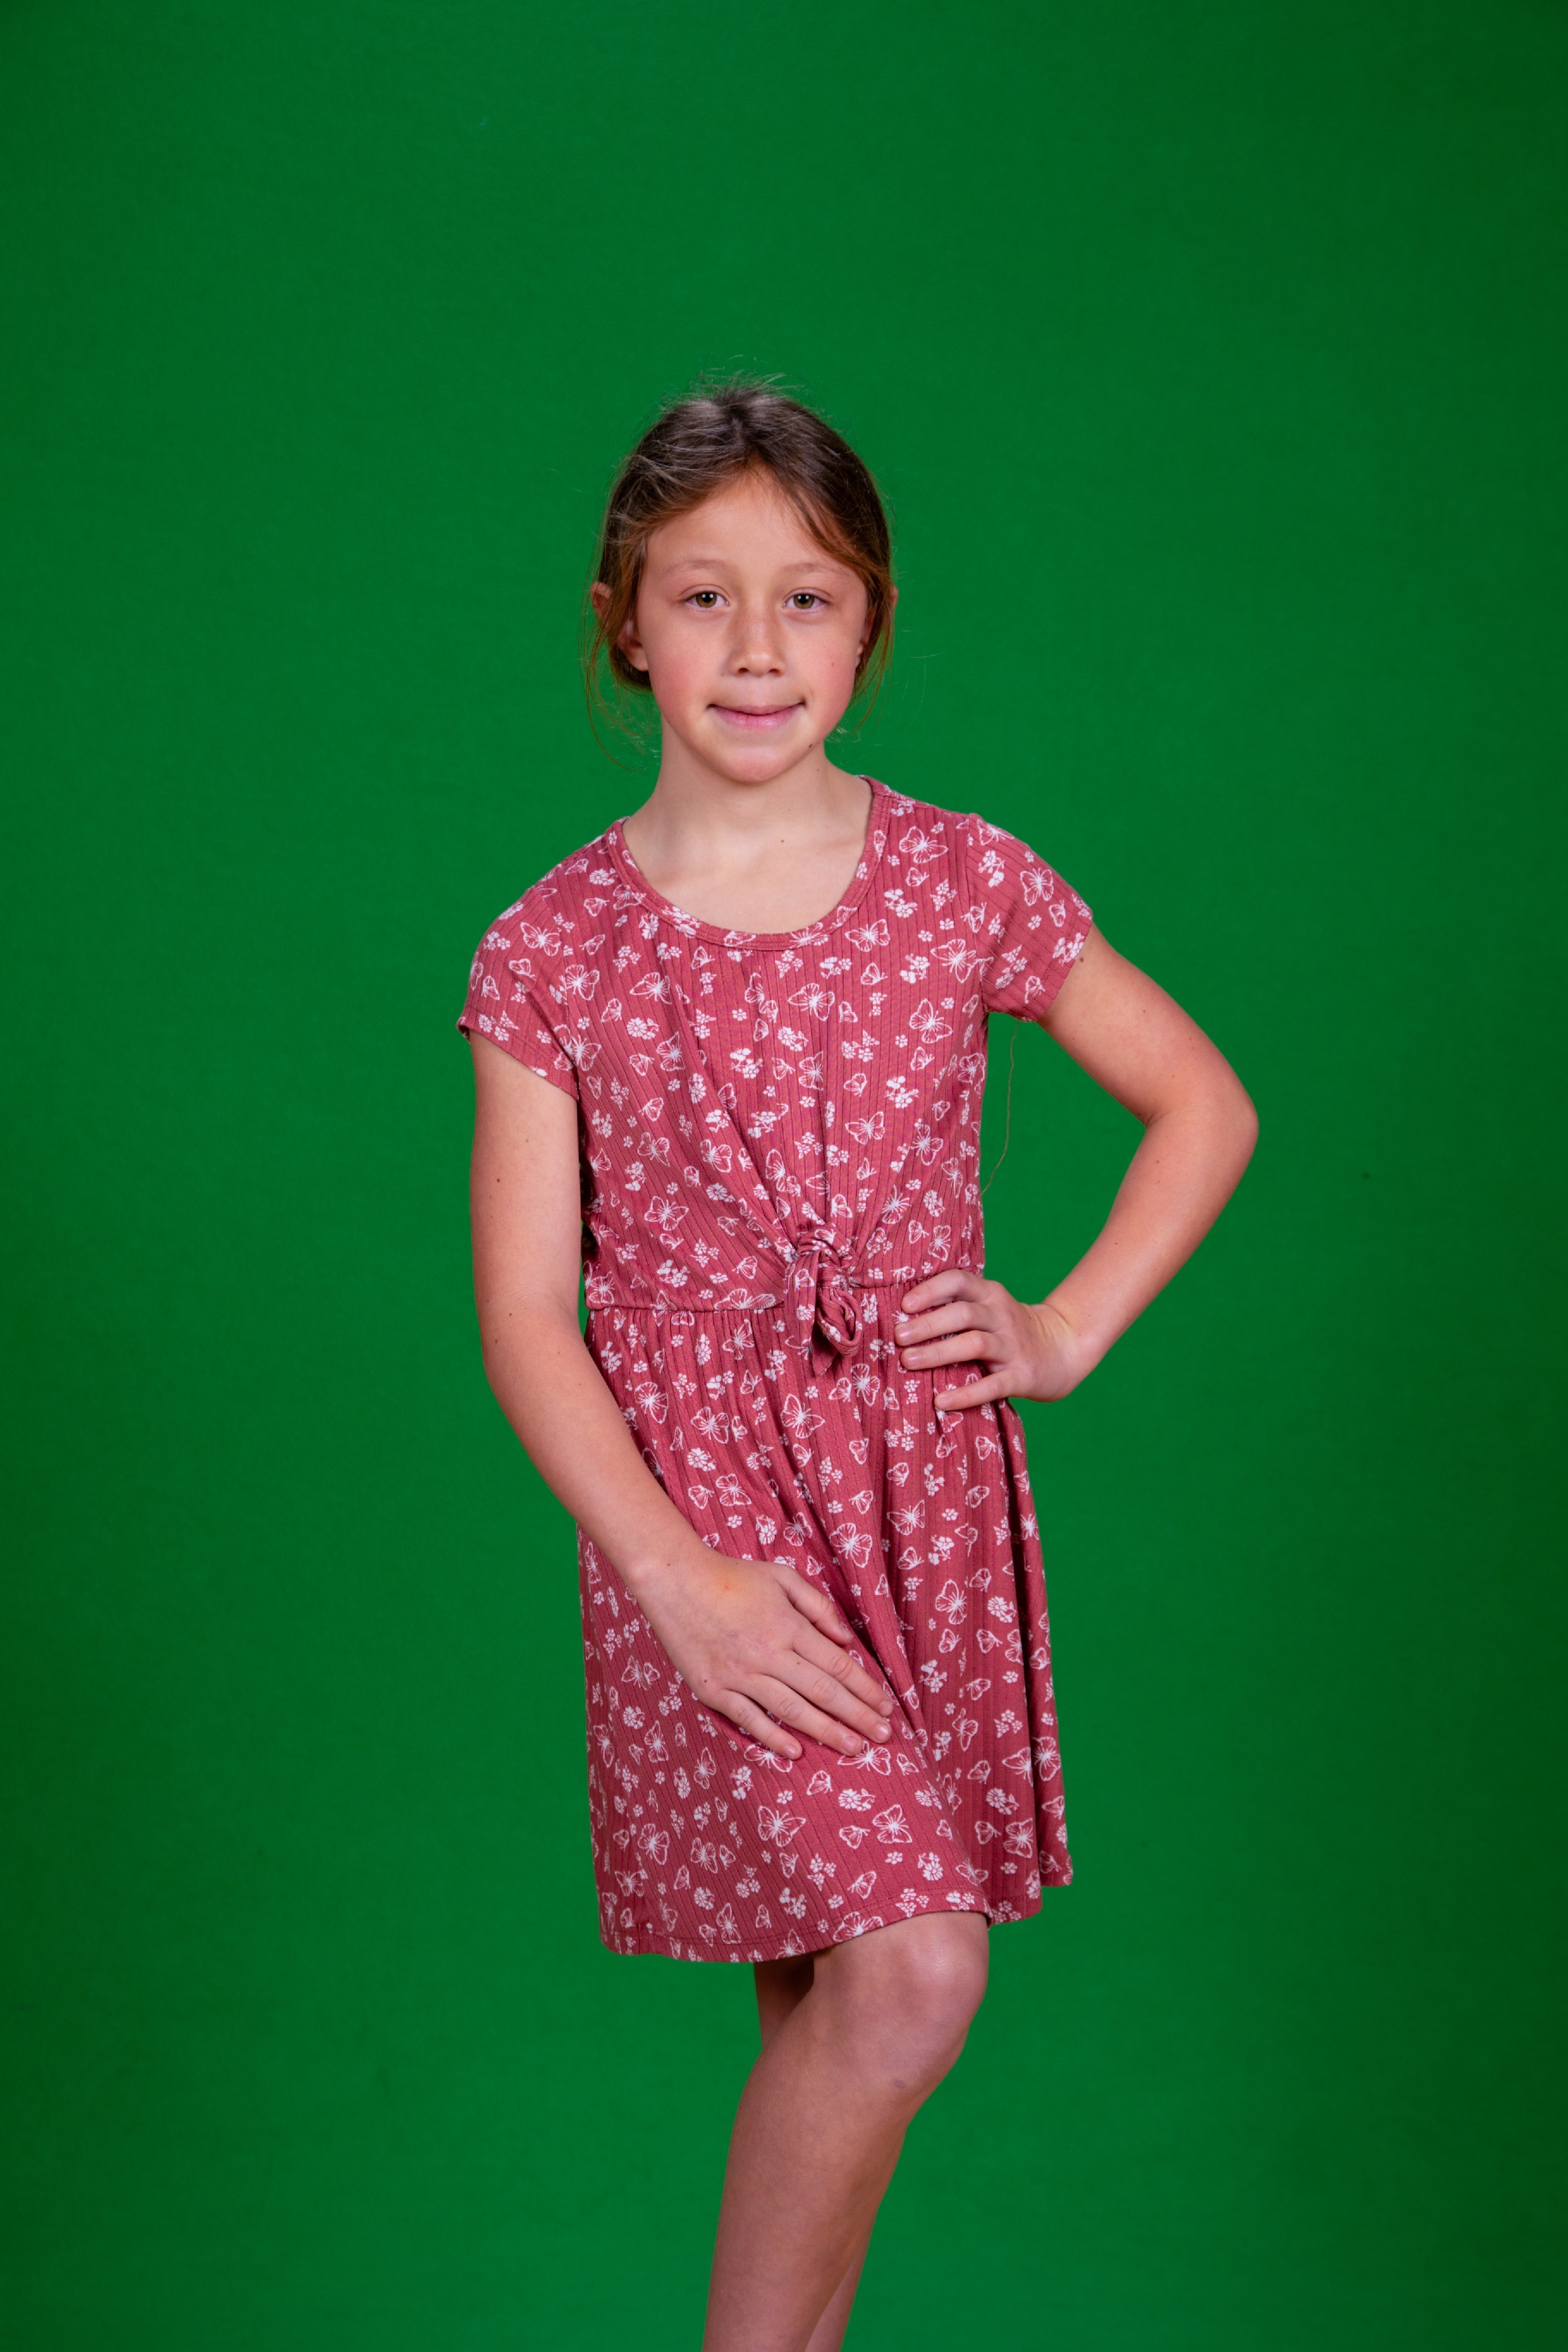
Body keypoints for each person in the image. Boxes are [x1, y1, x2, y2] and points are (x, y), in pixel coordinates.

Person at [460, 379, 1256, 2352]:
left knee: (839, 2012)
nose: (757, 647)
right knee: (911, 1978)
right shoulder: (552, 950)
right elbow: (526, 1315)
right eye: (703, 596)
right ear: (622, 627)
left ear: (871, 624)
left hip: (922, 1505)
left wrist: (1063, 1326)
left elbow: (1205, 1106)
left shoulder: (964, 882)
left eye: (806, 598)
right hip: (705, 1536)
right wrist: (682, 1583)